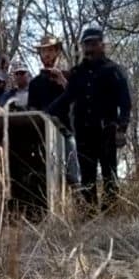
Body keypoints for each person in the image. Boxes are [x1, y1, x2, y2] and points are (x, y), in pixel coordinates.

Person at [47, 27, 131, 213]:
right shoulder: (78, 72)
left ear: (102, 45)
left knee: (110, 173)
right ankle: (89, 215)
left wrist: (121, 129)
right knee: (87, 175)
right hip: (84, 132)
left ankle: (111, 213)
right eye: (86, 44)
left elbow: (125, 103)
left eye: (93, 43)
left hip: (107, 130)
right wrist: (45, 113)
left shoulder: (114, 71)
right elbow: (67, 97)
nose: (90, 48)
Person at [27, 34, 81, 189]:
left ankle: (76, 189)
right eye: (43, 51)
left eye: (50, 50)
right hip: (42, 131)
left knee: (71, 150)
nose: (47, 54)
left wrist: (62, 81)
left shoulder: (68, 76)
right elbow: (32, 109)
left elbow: (77, 100)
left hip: (64, 129)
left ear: (57, 51)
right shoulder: (35, 83)